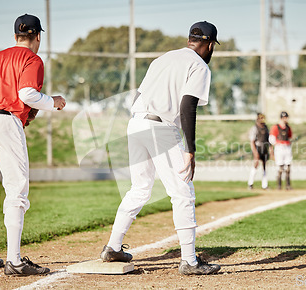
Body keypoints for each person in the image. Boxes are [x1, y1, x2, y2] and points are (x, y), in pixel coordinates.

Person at [100, 21, 221, 275]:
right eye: (212, 46)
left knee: (140, 188)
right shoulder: (198, 65)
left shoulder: (164, 58)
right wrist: (190, 149)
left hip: (136, 123)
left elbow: (138, 96)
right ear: (209, 44)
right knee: (183, 191)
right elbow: (188, 105)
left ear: (190, 39)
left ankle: (112, 247)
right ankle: (189, 261)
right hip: (160, 127)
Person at [0, 14, 66, 276]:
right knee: (16, 189)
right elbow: (27, 94)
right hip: (5, 123)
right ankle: (15, 261)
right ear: (38, 36)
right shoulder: (31, 58)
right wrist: (54, 101)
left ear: (16, 35)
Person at [269, 111, 293, 190]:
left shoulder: (288, 128)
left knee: (288, 166)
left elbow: (289, 137)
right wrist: (273, 147)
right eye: (284, 118)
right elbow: (271, 139)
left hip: (287, 147)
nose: (285, 119)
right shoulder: (276, 127)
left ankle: (288, 185)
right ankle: (279, 185)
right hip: (279, 147)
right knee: (280, 167)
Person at [248, 113, 272, 189]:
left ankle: (264, 185)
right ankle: (250, 183)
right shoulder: (255, 128)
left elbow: (268, 140)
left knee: (264, 166)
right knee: (256, 164)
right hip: (258, 147)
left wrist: (270, 149)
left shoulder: (265, 128)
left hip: (264, 148)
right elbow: (252, 141)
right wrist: (255, 152)